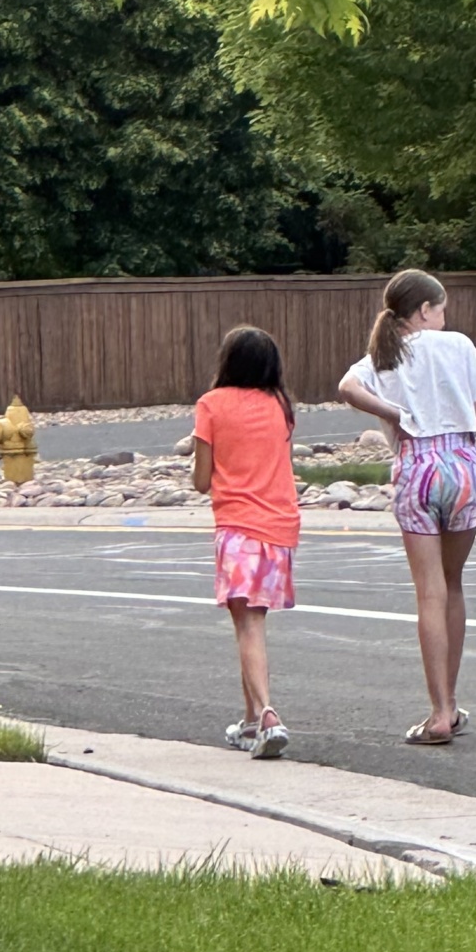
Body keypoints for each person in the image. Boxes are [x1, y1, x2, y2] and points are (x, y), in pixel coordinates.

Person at [339, 269, 476, 746]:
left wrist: (394, 412)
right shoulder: (459, 345)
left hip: (417, 465)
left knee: (429, 592)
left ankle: (439, 711)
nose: (444, 318)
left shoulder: (384, 355)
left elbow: (348, 387)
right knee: (453, 583)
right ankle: (454, 698)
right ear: (425, 310)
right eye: (441, 310)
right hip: (463, 464)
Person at [191, 324, 301, 759]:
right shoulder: (281, 406)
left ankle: (269, 715)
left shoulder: (211, 405)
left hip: (238, 526)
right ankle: (251, 720)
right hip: (280, 527)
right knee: (250, 622)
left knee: (248, 625)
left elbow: (202, 480)